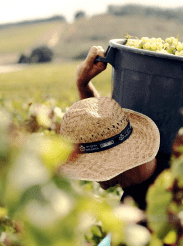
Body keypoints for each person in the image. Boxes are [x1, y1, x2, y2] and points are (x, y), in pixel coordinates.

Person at [59, 46, 172, 211]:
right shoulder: (164, 162)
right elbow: (102, 130)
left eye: (97, 171)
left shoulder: (156, 212)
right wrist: (82, 84)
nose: (103, 186)